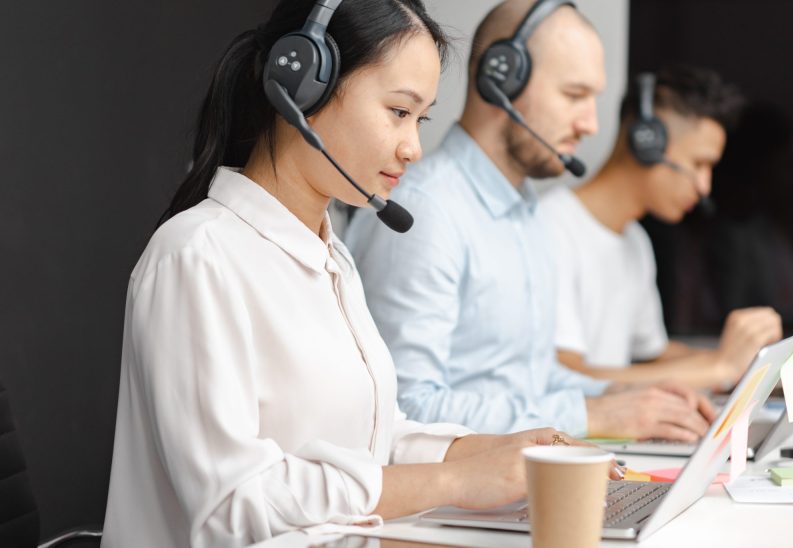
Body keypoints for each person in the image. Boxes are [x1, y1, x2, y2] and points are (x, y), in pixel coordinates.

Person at [102, 2, 608, 546]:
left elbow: (372, 438)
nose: (413, 147)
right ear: (304, 88)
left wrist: (494, 450)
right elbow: (233, 505)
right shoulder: (197, 257)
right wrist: (453, 480)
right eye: (398, 111)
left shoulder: (331, 257)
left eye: (422, 119)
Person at [345, 0, 715, 443]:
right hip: (447, 502)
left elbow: (528, 380)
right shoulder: (429, 212)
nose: (591, 124)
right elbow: (405, 406)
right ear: (502, 78)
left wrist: (626, 394)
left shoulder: (526, 211)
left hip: (518, 482)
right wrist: (592, 415)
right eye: (574, 96)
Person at [539, 67, 783, 390]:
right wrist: (716, 369)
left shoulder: (635, 241)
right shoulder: (550, 228)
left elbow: (653, 355)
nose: (704, 187)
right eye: (699, 164)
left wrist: (744, 363)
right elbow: (567, 378)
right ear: (646, 141)